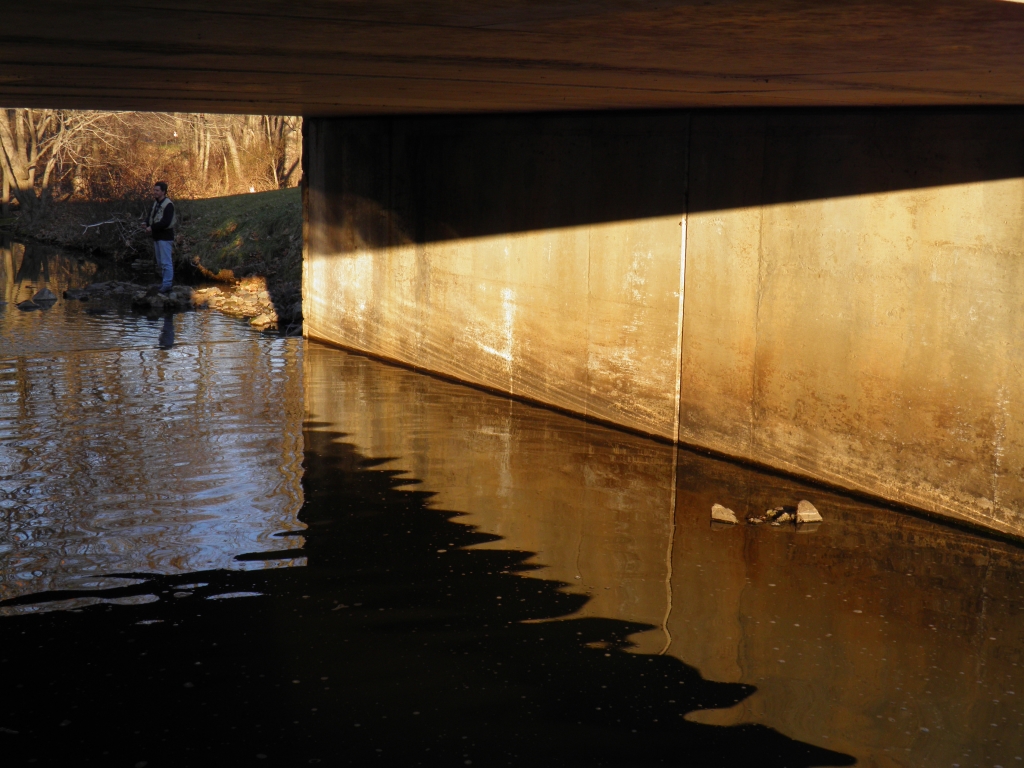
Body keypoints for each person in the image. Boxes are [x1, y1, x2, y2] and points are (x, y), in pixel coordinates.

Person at [144, 181, 176, 294]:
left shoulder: (168, 205)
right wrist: (146, 223)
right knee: (160, 262)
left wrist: (151, 228)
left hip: (165, 237)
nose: (155, 192)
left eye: (157, 190)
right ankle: (164, 283)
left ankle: (167, 284)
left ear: (163, 192)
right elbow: (150, 216)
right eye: (154, 190)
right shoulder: (156, 203)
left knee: (166, 262)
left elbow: (165, 222)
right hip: (157, 237)